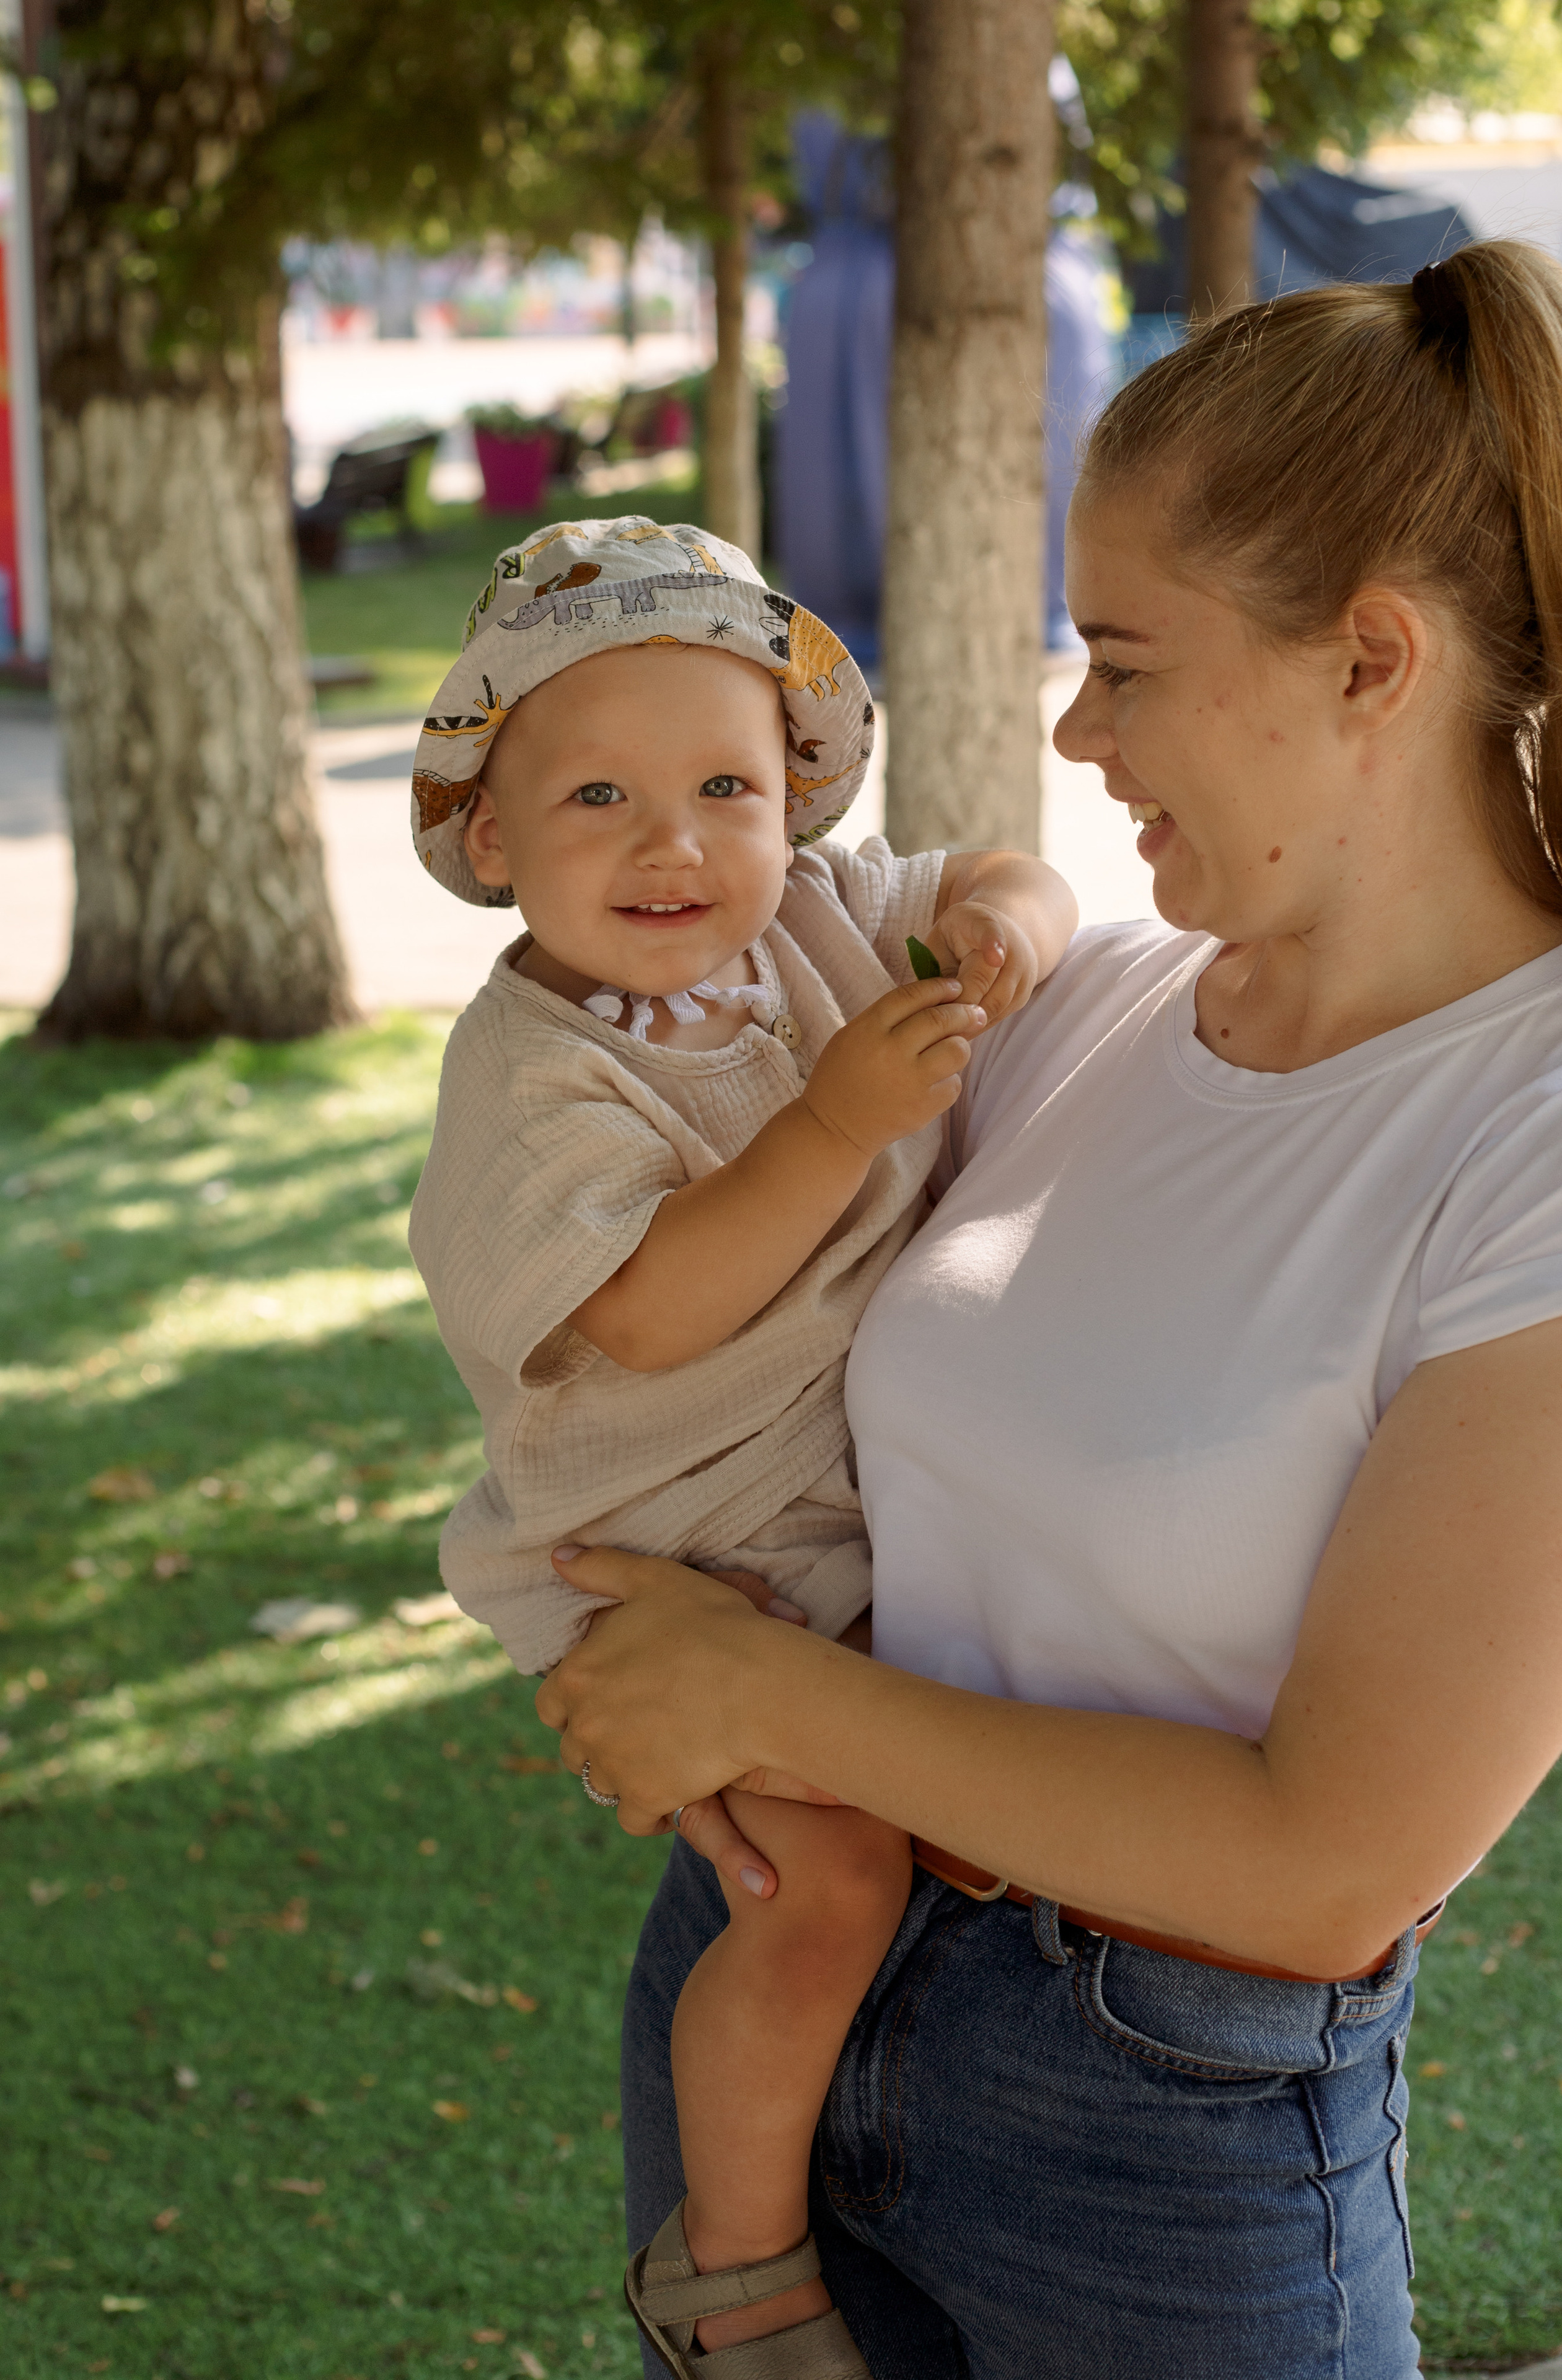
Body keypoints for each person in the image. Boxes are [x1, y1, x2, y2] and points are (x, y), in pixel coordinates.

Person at [536, 240, 1562, 2380]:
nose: (1069, 726)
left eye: (1122, 660)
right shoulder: (1084, 1008)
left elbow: (1327, 1863)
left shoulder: (1543, 1135)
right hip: (770, 1974)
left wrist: (755, 1696)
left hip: (1156, 2148)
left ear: (1372, 659)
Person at [404, 515, 1077, 2379]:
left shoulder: (819, 922)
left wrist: (1007, 934)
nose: (674, 844)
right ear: (490, 838)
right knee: (829, 1883)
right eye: (598, 795)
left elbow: (1011, 872)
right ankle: (741, 2271)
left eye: (725, 787)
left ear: (798, 800)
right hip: (692, 1560)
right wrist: (832, 1126)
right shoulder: (534, 1066)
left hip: (841, 1517)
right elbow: (645, 1309)